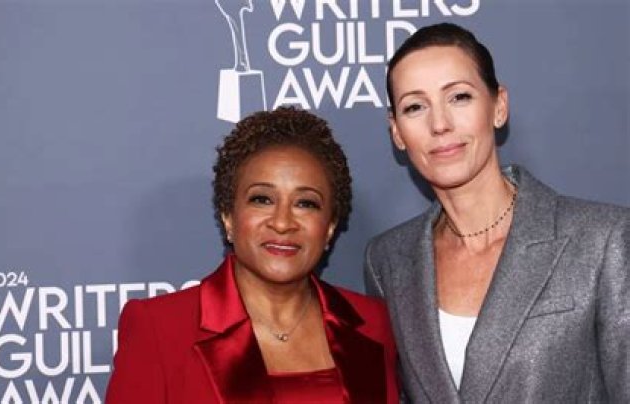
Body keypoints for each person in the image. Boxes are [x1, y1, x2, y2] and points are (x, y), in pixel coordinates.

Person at [364, 22, 629, 403]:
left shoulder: (603, 240)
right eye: (415, 107)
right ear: (396, 132)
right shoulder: (388, 260)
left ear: (498, 106)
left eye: (459, 97)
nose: (440, 124)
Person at [107, 106, 400, 403]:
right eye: (262, 199)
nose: (282, 222)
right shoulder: (159, 329)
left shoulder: (374, 322)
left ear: (330, 227)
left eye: (305, 203)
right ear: (228, 217)